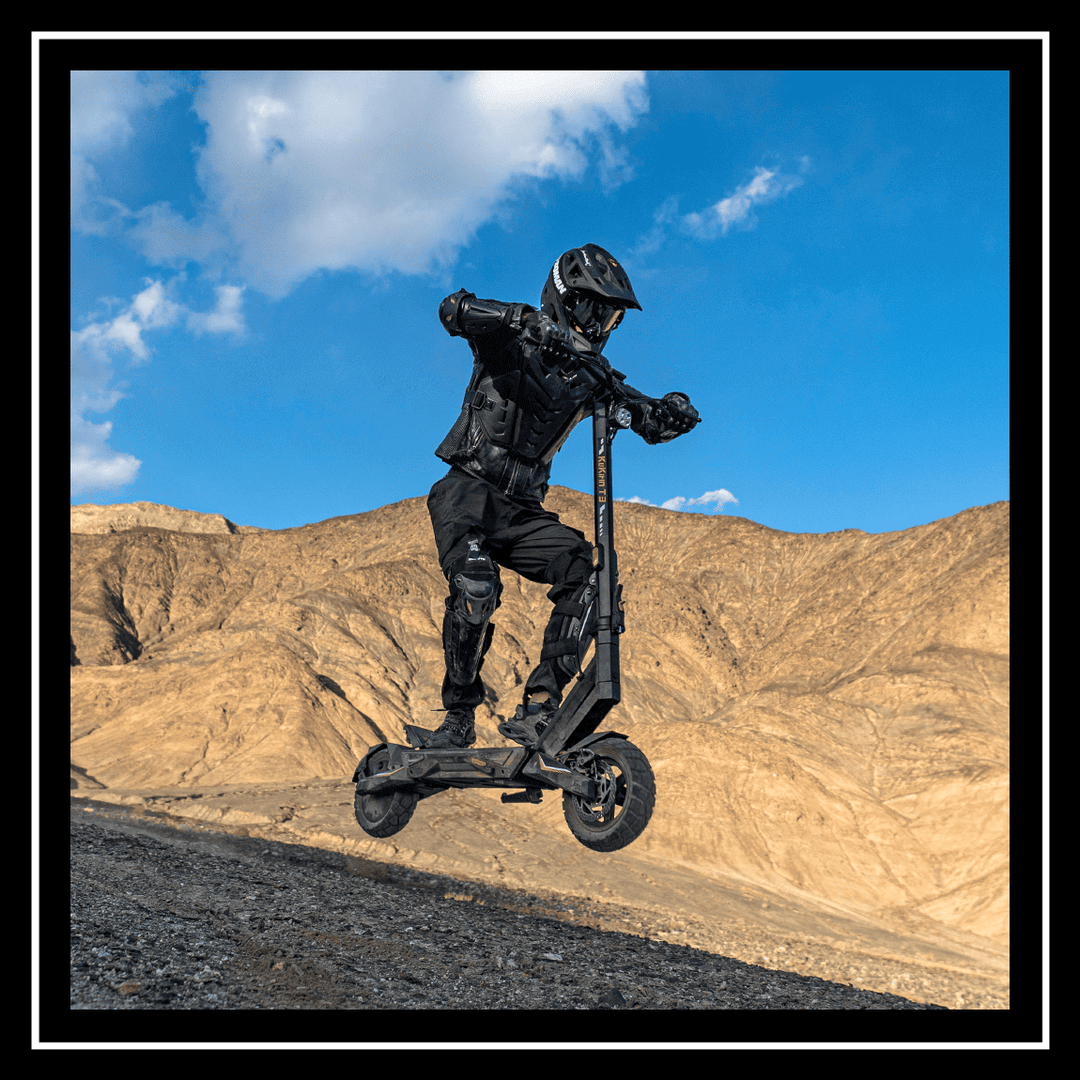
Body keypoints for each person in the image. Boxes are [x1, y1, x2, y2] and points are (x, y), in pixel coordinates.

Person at [424, 243, 699, 749]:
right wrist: (524, 323)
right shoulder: (510, 340)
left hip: (523, 511)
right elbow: (452, 310)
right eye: (593, 308)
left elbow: (643, 418)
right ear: (563, 299)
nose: (599, 325)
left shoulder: (593, 377)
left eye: (611, 316)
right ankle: (458, 717)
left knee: (591, 571)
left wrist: (670, 411)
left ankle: (541, 706)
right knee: (476, 589)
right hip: (467, 493)